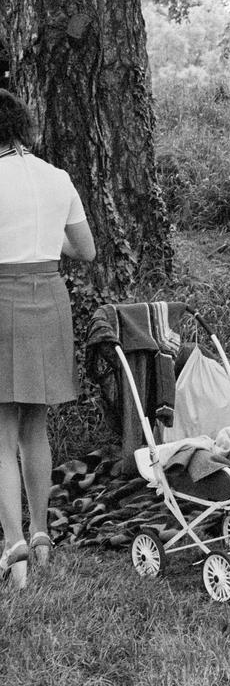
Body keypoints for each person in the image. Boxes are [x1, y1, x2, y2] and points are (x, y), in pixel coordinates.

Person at [0, 90, 96, 588]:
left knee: (0, 433)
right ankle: (40, 536)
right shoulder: (57, 177)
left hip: (2, 295)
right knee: (34, 427)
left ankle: (14, 546)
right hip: (50, 295)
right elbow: (86, 249)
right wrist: (42, 238)